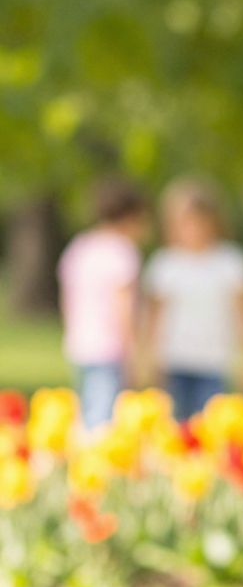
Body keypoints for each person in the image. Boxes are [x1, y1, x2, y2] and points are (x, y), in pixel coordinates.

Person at [140, 179, 243, 418]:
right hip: (173, 360)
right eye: (186, 222)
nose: (194, 229)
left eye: (200, 221)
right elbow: (153, 317)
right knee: (174, 427)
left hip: (213, 361)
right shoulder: (166, 264)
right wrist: (148, 359)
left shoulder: (231, 262)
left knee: (209, 426)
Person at [57, 178, 151, 428]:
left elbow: (68, 298)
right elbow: (124, 307)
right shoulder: (122, 252)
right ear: (131, 217)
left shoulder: (80, 247)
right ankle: (96, 460)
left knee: (87, 405)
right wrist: (133, 351)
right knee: (105, 414)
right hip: (111, 346)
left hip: (81, 343)